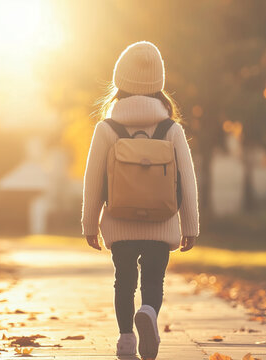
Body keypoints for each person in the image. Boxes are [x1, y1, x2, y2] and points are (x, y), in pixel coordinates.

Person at [81, 41, 200, 359]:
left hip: (120, 223)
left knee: (123, 281)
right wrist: (191, 226)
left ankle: (125, 340)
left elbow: (93, 181)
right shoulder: (170, 129)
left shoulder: (107, 128)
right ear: (158, 84)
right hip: (161, 222)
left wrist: (89, 224)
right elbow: (187, 180)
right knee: (153, 280)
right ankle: (148, 311)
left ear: (120, 81)